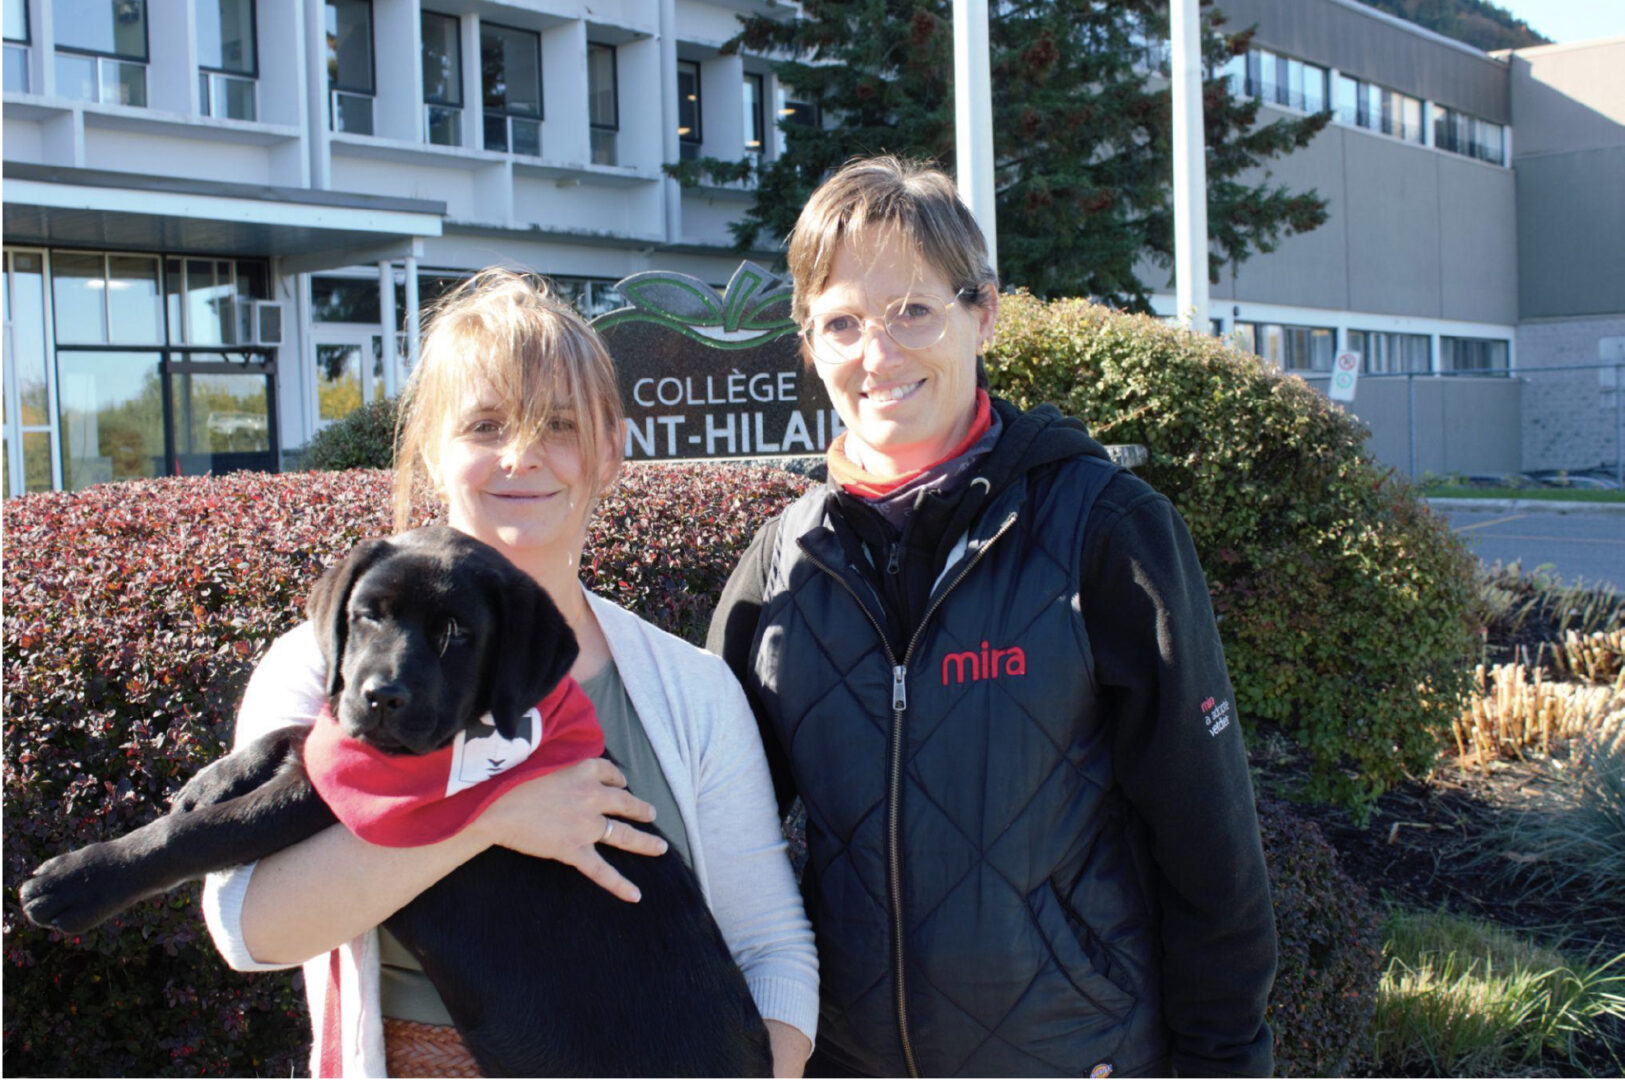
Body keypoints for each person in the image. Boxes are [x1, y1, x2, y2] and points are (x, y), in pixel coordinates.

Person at [707, 157, 1277, 1078]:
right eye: (842, 322)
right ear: (808, 343)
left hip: (1073, 1057)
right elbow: (715, 844)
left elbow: (1206, 841)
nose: (877, 354)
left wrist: (1219, 1062)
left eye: (914, 311)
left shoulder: (1106, 530)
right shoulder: (780, 563)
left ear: (985, 313)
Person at [202, 269, 818, 1077]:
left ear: (610, 450)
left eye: (558, 425)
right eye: (486, 424)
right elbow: (250, 928)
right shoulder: (323, 668)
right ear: (432, 448)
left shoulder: (690, 691)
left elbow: (772, 950)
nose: (521, 456)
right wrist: (490, 816)